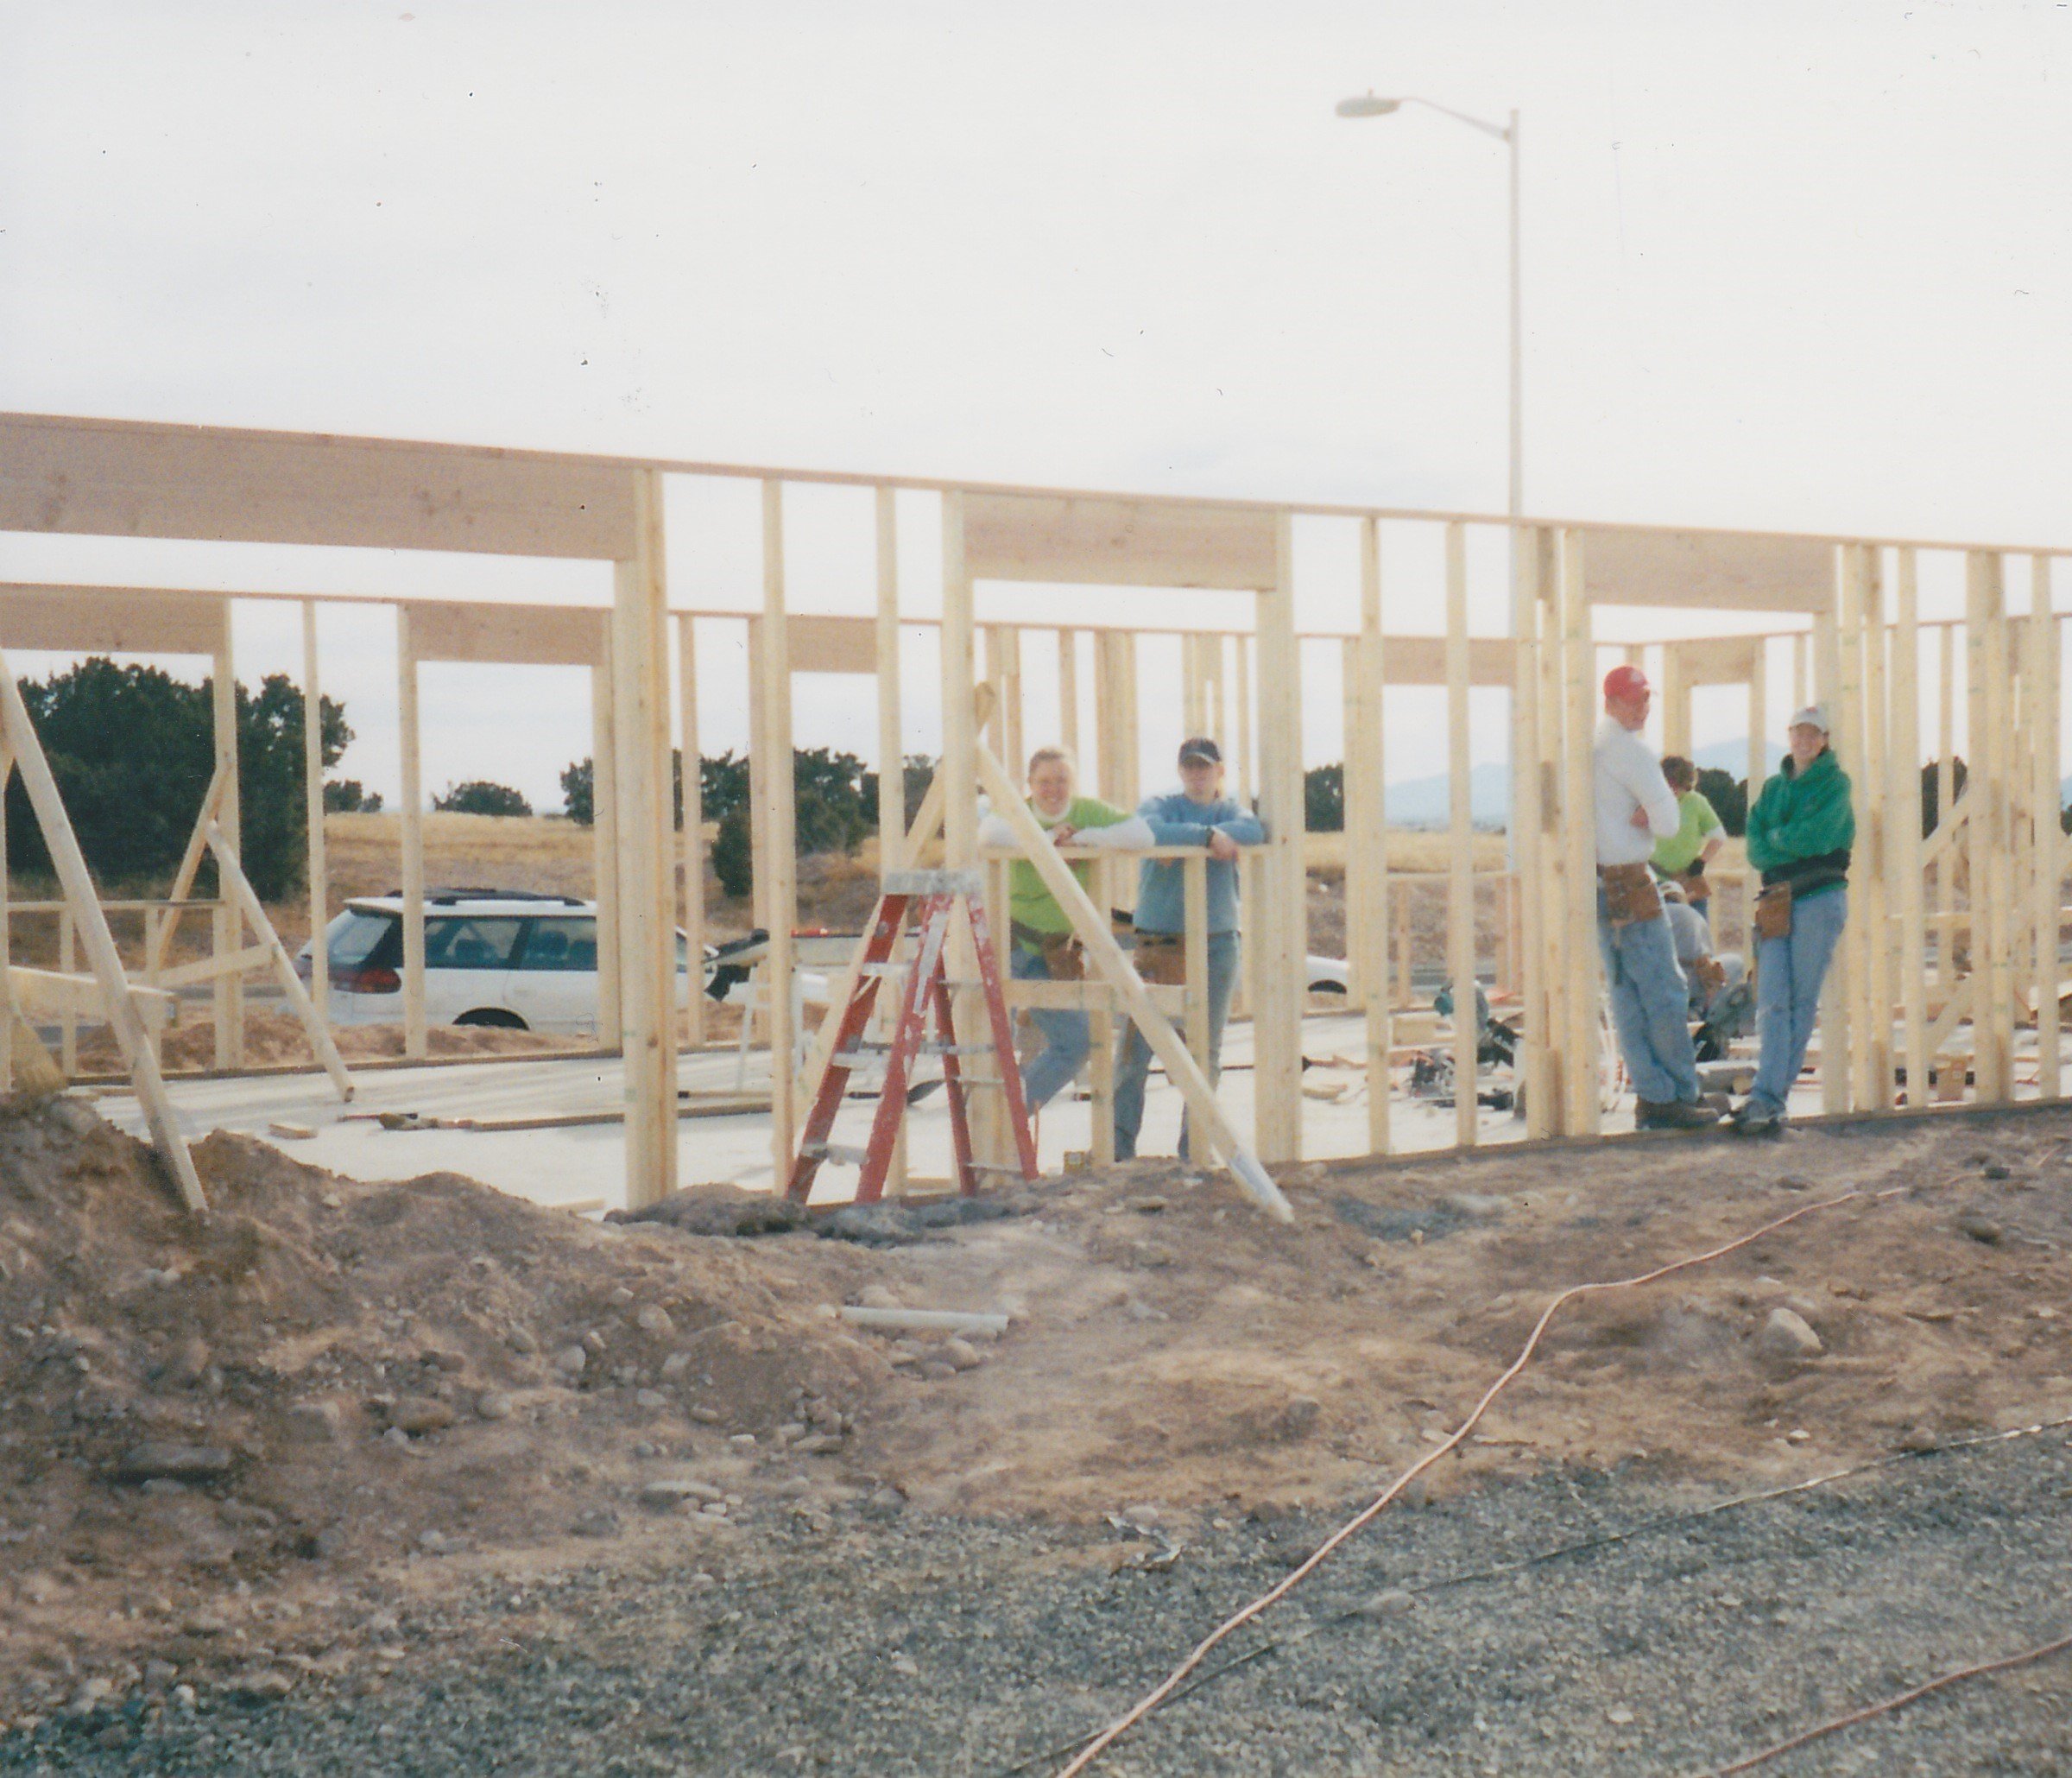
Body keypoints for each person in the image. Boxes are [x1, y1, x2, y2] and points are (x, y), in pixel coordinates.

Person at [1113, 737, 1265, 1161]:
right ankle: (1117, 1151)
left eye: (1206, 768)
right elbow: (1149, 831)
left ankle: (1194, 1150)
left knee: (1205, 1052)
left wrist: (1217, 832)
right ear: (1181, 772)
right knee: (1134, 1052)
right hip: (1159, 944)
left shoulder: (1231, 811)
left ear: (1219, 771)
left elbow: (1254, 830)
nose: (1198, 775)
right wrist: (1207, 837)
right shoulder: (1161, 804)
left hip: (1216, 943)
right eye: (1190, 768)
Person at [977, 746, 1151, 1113]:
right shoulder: (1016, 810)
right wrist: (1046, 840)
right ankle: (983, 1127)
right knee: (990, 1042)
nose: (1053, 789)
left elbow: (1142, 835)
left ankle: (1012, 1115)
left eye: (1062, 780)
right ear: (1030, 784)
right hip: (1011, 941)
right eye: (1044, 782)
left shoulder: (1087, 811)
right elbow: (989, 834)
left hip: (1054, 951)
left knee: (1077, 1042)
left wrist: (1086, 838)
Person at [1594, 665, 1717, 1130]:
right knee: (1665, 992)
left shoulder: (1593, 747)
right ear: (1610, 703)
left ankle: (1653, 1094)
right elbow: (1668, 824)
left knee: (1626, 997)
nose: (1641, 708)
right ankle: (1680, 1096)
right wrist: (1655, 808)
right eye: (1632, 700)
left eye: (1645, 699)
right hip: (1631, 884)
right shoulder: (1631, 751)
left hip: (1600, 884)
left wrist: (1652, 808)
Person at [1733, 706, 1854, 1135]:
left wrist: (1778, 839)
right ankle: (1769, 1097)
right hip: (1777, 901)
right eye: (1797, 733)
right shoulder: (1773, 789)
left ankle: (1768, 1096)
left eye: (1812, 735)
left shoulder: (1836, 784)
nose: (1804, 741)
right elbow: (1755, 848)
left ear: (1823, 740)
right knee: (1772, 1000)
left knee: (1800, 1002)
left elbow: (1819, 835)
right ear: (1790, 737)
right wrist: (1787, 841)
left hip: (1819, 900)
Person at [1652, 756, 1726, 924]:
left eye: (1678, 784)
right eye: (1668, 783)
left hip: (1687, 881)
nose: (1673, 789)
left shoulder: (1697, 803)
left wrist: (1700, 862)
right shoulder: (1650, 802)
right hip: (1655, 881)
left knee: (1698, 933)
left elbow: (1718, 836)